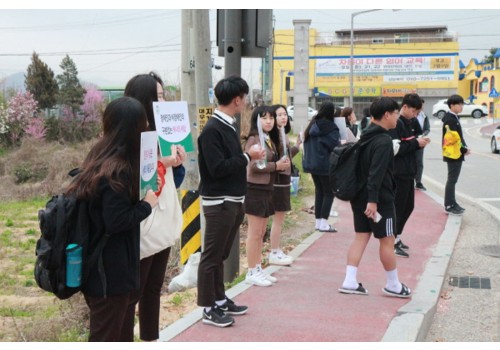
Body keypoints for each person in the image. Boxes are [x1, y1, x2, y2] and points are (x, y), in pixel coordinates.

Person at [67, 97, 159, 341]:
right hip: (109, 273)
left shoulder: (100, 154)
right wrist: (147, 205)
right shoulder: (118, 169)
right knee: (107, 336)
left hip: (100, 267)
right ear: (135, 128)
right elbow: (116, 220)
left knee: (117, 334)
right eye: (145, 123)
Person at [197, 75, 265, 327]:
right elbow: (217, 168)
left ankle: (219, 299)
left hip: (233, 200)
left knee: (220, 254)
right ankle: (207, 308)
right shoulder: (213, 129)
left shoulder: (227, 125)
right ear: (237, 99)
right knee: (211, 256)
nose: (246, 102)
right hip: (219, 202)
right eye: (245, 97)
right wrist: (247, 156)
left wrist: (245, 157)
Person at [123, 72, 186, 342]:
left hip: (164, 217)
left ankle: (151, 338)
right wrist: (167, 162)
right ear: (144, 99)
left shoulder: (163, 131)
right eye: (158, 96)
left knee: (153, 287)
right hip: (145, 219)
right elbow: (137, 175)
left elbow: (175, 179)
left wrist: (178, 161)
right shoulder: (130, 131)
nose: (163, 102)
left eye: (163, 96)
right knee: (132, 292)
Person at [339, 97, 412, 299]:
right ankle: (393, 285)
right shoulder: (383, 141)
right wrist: (373, 201)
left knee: (361, 237)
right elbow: (376, 173)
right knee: (387, 240)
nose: (397, 117)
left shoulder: (365, 136)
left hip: (359, 198)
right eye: (396, 113)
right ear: (387, 114)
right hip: (379, 200)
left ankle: (349, 281)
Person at [244, 106, 290, 286]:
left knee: (261, 232)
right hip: (255, 189)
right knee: (254, 233)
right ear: (256, 120)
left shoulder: (268, 139)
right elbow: (254, 166)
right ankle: (251, 270)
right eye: (264, 118)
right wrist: (276, 166)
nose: (269, 121)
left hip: (265, 189)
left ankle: (257, 268)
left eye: (271, 118)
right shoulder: (254, 139)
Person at [389, 93, 430, 258]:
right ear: (404, 107)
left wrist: (419, 143)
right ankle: (391, 242)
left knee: (408, 207)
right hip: (398, 172)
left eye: (417, 113)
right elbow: (395, 149)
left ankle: (397, 237)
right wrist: (415, 144)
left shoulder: (411, 122)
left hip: (409, 171)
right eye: (413, 111)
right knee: (398, 208)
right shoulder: (396, 123)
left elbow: (412, 141)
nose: (415, 115)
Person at [268, 104, 300, 266]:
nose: (283, 117)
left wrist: (297, 146)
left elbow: (286, 156)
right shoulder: (274, 137)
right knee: (278, 217)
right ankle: (274, 251)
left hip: (284, 179)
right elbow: (277, 159)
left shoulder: (283, 134)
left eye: (285, 114)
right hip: (278, 181)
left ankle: (276, 249)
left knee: (280, 217)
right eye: (279, 114)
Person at [302, 101, 340, 232]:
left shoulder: (312, 125)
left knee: (319, 192)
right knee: (329, 193)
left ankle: (318, 222)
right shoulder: (331, 127)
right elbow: (335, 145)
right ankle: (324, 223)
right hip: (325, 164)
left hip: (312, 164)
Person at [442, 94, 470, 215]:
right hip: (453, 154)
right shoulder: (451, 119)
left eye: (462, 104)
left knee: (453, 180)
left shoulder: (453, 117)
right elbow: (455, 139)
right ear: (452, 105)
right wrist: (464, 149)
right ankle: (449, 205)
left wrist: (464, 148)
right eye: (459, 104)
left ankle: (452, 202)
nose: (461, 106)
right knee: (452, 180)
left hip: (454, 153)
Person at [413, 99, 430, 191]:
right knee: (409, 162)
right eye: (420, 105)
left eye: (422, 105)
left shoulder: (424, 116)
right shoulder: (410, 115)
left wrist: (423, 135)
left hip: (421, 141)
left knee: (419, 163)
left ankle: (418, 182)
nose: (422, 107)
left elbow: (427, 128)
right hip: (410, 141)